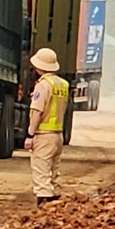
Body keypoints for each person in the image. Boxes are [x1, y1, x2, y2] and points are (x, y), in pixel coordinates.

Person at [24, 46, 70, 205]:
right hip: (58, 135)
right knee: (53, 172)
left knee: (41, 172)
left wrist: (30, 134)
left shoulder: (43, 85)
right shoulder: (63, 84)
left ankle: (44, 206)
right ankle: (56, 200)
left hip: (44, 135)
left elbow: (37, 111)